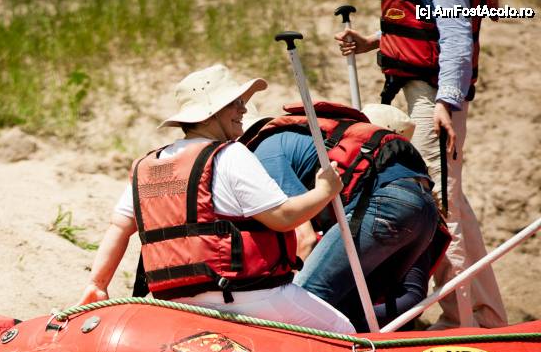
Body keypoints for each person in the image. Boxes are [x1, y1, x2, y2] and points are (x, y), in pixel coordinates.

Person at [77, 64, 356, 334]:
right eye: (235, 103)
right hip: (245, 294)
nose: (243, 109)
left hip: (173, 299)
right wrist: (324, 190)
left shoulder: (148, 165)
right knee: (344, 330)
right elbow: (283, 218)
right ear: (211, 113)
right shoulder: (231, 154)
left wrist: (98, 284)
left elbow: (119, 227)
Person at [335, 0, 507, 329]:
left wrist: (446, 101)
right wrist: (376, 40)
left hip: (435, 99)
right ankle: (486, 316)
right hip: (424, 94)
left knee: (439, 204)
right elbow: (427, 21)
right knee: (452, 203)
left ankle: (461, 321)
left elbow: (456, 34)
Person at [243, 101, 442, 331]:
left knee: (302, 307)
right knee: (346, 309)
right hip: (426, 210)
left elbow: (304, 238)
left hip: (385, 204)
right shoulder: (296, 138)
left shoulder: (263, 152)